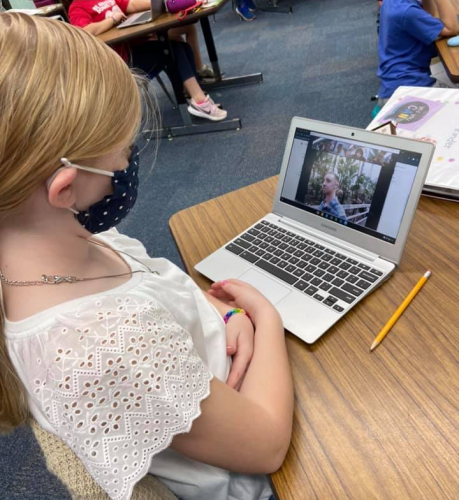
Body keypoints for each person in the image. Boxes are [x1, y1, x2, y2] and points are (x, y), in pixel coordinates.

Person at [0, 13, 293, 500]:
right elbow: (266, 446)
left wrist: (228, 312)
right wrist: (267, 315)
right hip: (259, 468)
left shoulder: (67, 246)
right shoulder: (101, 348)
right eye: (122, 153)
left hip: (226, 378)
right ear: (66, 187)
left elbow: (155, 289)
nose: (128, 162)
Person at [66, 0, 227, 121]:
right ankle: (200, 102)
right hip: (121, 61)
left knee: (181, 47)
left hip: (133, 48)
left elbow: (132, 5)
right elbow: (84, 33)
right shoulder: (77, 7)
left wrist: (161, 3)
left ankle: (190, 94)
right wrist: (112, 20)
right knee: (173, 49)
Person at [377, 0, 459, 108]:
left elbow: (430, 16)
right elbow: (452, 28)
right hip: (407, 90)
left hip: (395, 84)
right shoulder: (407, 12)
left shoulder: (393, 2)